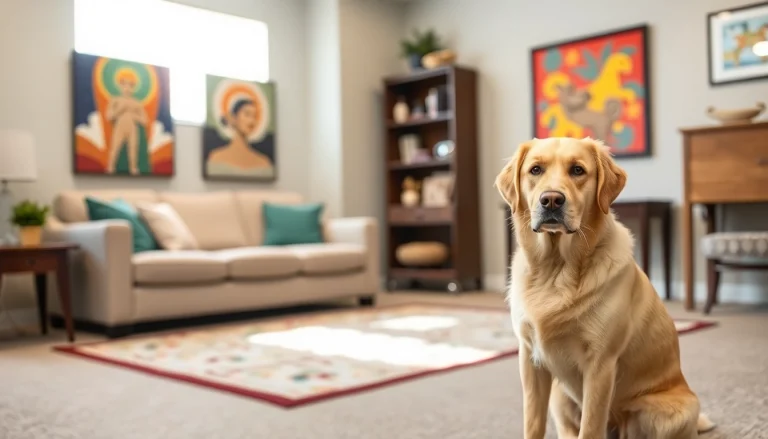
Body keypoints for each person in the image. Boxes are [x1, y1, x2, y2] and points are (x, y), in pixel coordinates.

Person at [207, 98, 274, 178]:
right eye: (247, 114)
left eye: (254, 116)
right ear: (233, 118)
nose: (251, 121)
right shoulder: (216, 157)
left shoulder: (264, 162)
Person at [105, 69, 147, 175]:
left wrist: (134, 116)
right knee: (115, 149)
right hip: (120, 127)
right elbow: (109, 116)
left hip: (132, 128)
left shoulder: (137, 103)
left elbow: (145, 120)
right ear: (120, 86)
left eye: (130, 85)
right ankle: (111, 168)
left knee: (133, 151)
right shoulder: (116, 100)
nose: (127, 88)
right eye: (124, 84)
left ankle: (133, 169)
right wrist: (120, 110)